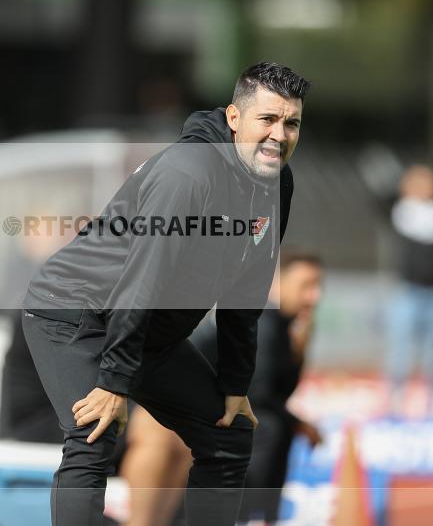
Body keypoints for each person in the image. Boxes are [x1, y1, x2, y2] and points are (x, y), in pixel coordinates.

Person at [22, 62, 310, 526]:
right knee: (94, 433)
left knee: (230, 433)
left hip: (146, 328)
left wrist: (235, 385)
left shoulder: (278, 183)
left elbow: (248, 286)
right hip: (73, 314)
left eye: (291, 122)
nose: (279, 134)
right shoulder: (189, 173)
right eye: (268, 120)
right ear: (235, 118)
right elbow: (143, 279)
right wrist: (114, 384)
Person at [190, 249, 324, 525]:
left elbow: (280, 392)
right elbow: (258, 395)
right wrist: (301, 423)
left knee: (279, 425)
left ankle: (265, 517)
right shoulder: (263, 321)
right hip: (193, 410)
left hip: (221, 409)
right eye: (306, 286)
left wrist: (300, 351)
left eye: (318, 286)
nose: (315, 296)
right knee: (269, 426)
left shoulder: (287, 327)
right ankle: (244, 516)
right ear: (279, 284)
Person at [384, 164, 433, 416]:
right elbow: (379, 200)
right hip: (407, 291)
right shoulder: (403, 211)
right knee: (400, 350)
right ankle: (395, 402)